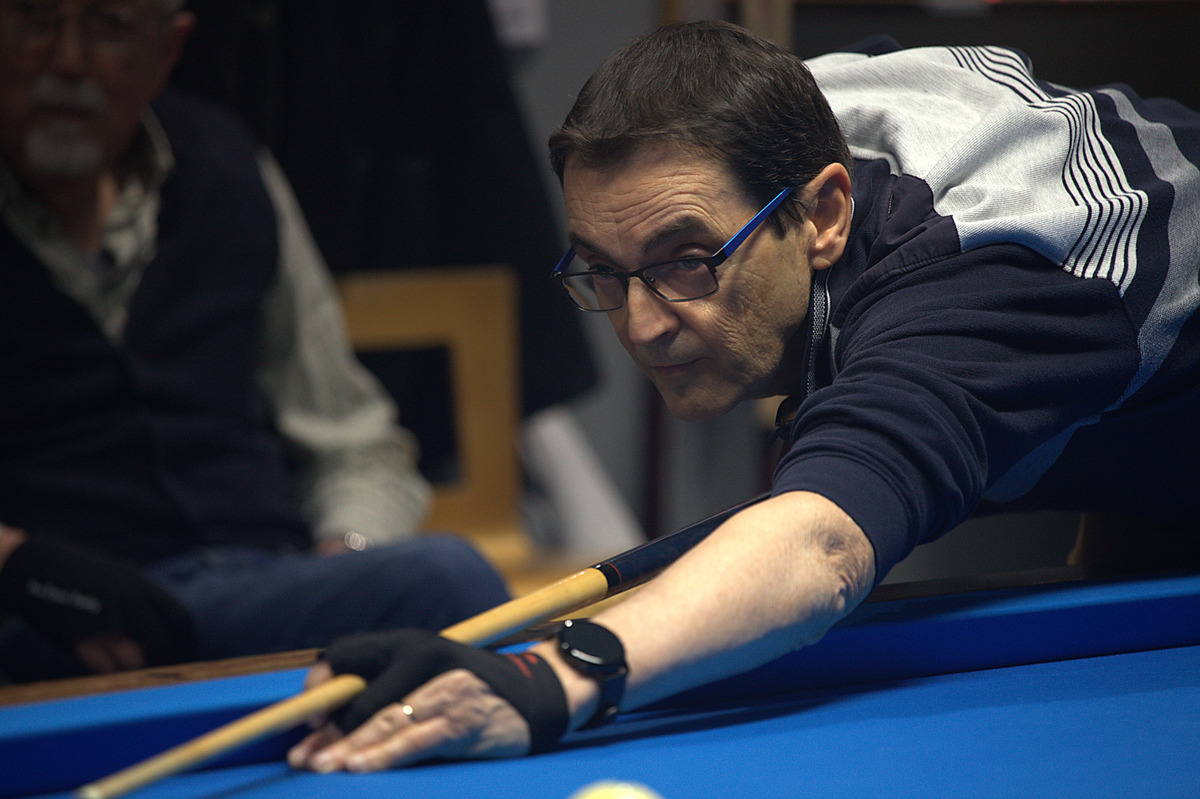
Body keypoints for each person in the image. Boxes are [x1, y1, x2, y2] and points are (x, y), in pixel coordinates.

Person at [284, 19, 1200, 772]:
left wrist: (551, 678)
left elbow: (824, 546)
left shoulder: (990, 278)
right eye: (604, 270)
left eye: (687, 260)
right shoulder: (768, 134)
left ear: (824, 215)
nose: (643, 325)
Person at [0, 0, 509, 683]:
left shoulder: (227, 164)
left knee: (441, 584)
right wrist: (18, 563)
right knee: (448, 581)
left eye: (109, 28)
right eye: (35, 21)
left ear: (168, 48)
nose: (67, 61)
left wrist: (347, 553)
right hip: (51, 625)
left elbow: (353, 441)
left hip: (262, 587)